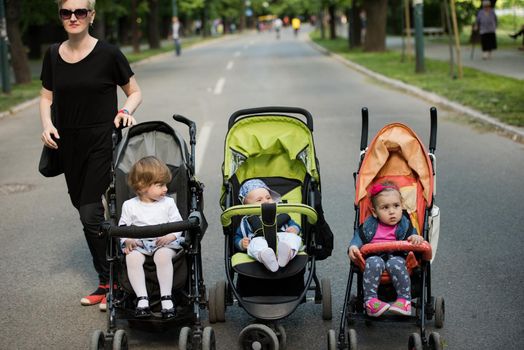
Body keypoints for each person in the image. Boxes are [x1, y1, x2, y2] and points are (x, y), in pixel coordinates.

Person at [39, 0, 142, 311]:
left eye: (80, 12)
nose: (73, 17)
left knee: (90, 213)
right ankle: (116, 274)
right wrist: (46, 124)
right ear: (60, 16)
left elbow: (134, 91)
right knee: (86, 212)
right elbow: (46, 96)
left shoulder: (108, 54)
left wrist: (125, 111)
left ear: (91, 16)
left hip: (102, 140)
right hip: (67, 144)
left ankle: (111, 281)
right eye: (66, 12)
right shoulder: (53, 54)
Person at [119, 156, 184, 319]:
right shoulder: (129, 205)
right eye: (160, 185)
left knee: (162, 256)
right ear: (142, 186)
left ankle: (166, 297)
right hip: (140, 244)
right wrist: (127, 240)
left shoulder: (168, 203)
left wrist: (171, 236)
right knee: (131, 258)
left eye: (166, 184)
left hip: (164, 244)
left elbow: (178, 224)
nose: (166, 189)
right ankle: (142, 298)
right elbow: (122, 228)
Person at [348, 181, 424, 317]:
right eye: (385, 208)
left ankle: (404, 301)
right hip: (374, 259)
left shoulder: (404, 224)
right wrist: (353, 247)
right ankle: (371, 301)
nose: (392, 212)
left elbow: (413, 235)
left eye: (396, 206)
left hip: (399, 258)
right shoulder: (369, 225)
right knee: (373, 262)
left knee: (395, 263)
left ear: (402, 206)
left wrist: (416, 238)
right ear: (375, 212)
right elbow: (358, 238)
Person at [235, 179, 302, 272]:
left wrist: (294, 229)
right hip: (260, 239)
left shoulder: (281, 213)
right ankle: (265, 257)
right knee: (254, 245)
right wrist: (241, 243)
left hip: (282, 238)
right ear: (246, 206)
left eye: (268, 197)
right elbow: (237, 237)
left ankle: (287, 253)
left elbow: (294, 225)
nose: (266, 201)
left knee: (294, 238)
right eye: (259, 200)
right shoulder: (246, 221)